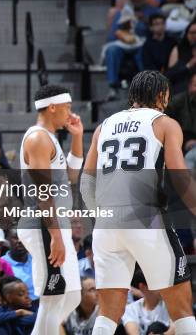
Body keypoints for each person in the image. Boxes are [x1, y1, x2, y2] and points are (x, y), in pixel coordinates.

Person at [80, 70, 195, 334]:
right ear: (161, 95)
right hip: (145, 218)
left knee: (108, 312)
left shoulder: (103, 126)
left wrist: (102, 216)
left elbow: (86, 183)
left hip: (105, 225)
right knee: (181, 304)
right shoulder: (165, 123)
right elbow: (181, 179)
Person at [17, 84, 83, 334]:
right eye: (67, 107)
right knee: (53, 297)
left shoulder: (50, 137)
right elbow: (41, 192)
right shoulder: (37, 139)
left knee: (73, 295)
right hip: (43, 225)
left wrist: (77, 137)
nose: (70, 112)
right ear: (52, 107)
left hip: (55, 224)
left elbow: (71, 177)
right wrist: (55, 236)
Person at [122, 269, 173, 335]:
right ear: (142, 287)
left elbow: (175, 329)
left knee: (156, 327)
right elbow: (133, 332)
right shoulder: (131, 309)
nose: (163, 288)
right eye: (158, 284)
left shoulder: (170, 305)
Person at [1, 228, 37, 302]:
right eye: (16, 237)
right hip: (22, 307)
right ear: (7, 240)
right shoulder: (1, 263)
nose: (20, 241)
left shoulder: (37, 258)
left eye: (24, 237)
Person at [167, 20, 196, 95]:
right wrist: (188, 65)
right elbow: (169, 75)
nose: (195, 36)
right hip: (182, 88)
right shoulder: (178, 49)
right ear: (186, 34)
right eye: (192, 33)